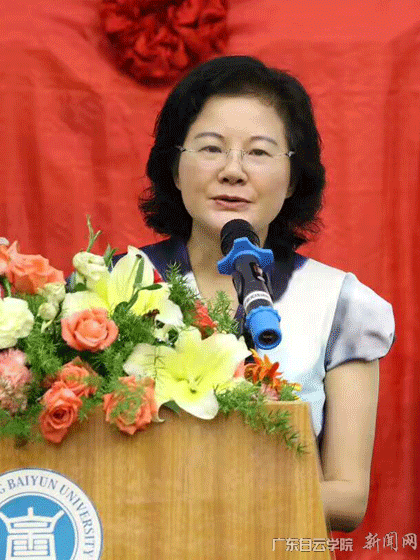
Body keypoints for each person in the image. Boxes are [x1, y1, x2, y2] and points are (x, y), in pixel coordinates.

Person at [137, 55, 395, 532]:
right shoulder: (115, 287)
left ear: (292, 179)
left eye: (258, 152)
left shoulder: (338, 303)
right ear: (174, 168)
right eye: (211, 148)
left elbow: (347, 497)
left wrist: (205, 493)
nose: (233, 171)